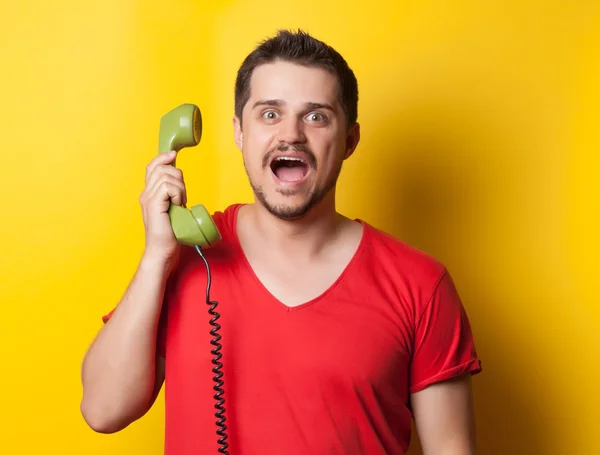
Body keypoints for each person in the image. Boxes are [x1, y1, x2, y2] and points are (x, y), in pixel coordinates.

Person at [80, 29, 482, 455]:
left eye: (316, 116)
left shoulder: (420, 284)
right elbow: (104, 410)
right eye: (270, 114)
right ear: (239, 131)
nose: (291, 134)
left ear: (350, 140)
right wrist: (157, 256)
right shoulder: (183, 260)